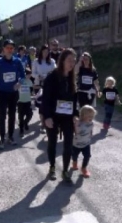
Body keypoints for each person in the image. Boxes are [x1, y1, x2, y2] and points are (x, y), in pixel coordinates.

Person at [41, 48, 79, 183]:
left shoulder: (72, 77)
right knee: (52, 141)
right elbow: (45, 99)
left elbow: (74, 99)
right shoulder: (52, 77)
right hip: (53, 115)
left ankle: (65, 171)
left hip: (67, 116)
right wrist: (47, 117)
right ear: (62, 60)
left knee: (68, 144)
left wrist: (75, 114)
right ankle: (52, 167)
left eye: (74, 61)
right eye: (69, 60)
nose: (72, 63)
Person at [0, 39, 25, 149]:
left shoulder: (17, 61)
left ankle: (10, 136)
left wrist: (19, 83)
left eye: (11, 48)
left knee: (12, 115)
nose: (10, 50)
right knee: (2, 116)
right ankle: (2, 138)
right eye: (7, 48)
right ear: (3, 49)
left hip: (13, 93)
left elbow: (23, 76)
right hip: (2, 93)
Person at [32, 44, 56, 134]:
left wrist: (47, 76)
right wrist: (38, 76)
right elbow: (33, 73)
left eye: (47, 52)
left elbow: (55, 71)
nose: (45, 53)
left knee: (49, 104)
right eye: (44, 51)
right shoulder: (36, 62)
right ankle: (42, 124)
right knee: (41, 105)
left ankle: (49, 120)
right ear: (41, 52)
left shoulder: (52, 61)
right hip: (39, 85)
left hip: (50, 86)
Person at [71, 105, 96, 178]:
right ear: (83, 115)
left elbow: (90, 130)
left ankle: (84, 168)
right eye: (89, 116)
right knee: (74, 155)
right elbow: (77, 131)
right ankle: (74, 162)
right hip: (76, 144)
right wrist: (76, 123)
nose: (91, 117)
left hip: (86, 143)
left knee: (87, 156)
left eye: (92, 115)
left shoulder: (91, 123)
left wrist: (91, 134)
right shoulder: (79, 123)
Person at [17, 68, 34, 137]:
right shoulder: (20, 80)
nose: (30, 76)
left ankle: (25, 123)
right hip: (20, 101)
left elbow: (31, 90)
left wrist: (33, 95)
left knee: (30, 114)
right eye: (28, 75)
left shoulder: (30, 81)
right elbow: (16, 88)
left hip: (28, 101)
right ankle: (21, 130)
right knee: (21, 116)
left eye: (30, 74)